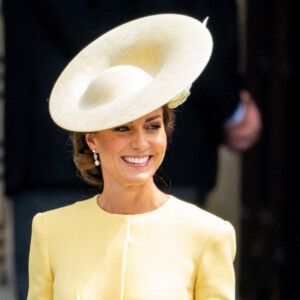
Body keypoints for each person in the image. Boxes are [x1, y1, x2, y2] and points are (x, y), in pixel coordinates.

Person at [27, 14, 236, 299]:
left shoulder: (208, 234)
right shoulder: (50, 231)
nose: (141, 143)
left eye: (152, 126)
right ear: (92, 140)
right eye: (123, 128)